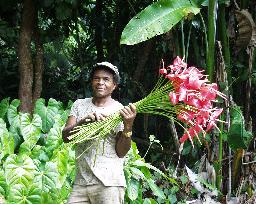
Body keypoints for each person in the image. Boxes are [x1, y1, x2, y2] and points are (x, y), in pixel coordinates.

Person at [62, 62, 136, 204]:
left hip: (109, 184)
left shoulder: (119, 110)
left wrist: (128, 126)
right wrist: (83, 122)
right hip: (81, 182)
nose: (100, 82)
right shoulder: (79, 105)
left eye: (106, 79)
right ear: (91, 82)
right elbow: (66, 137)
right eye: (96, 78)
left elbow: (121, 152)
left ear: (114, 85)